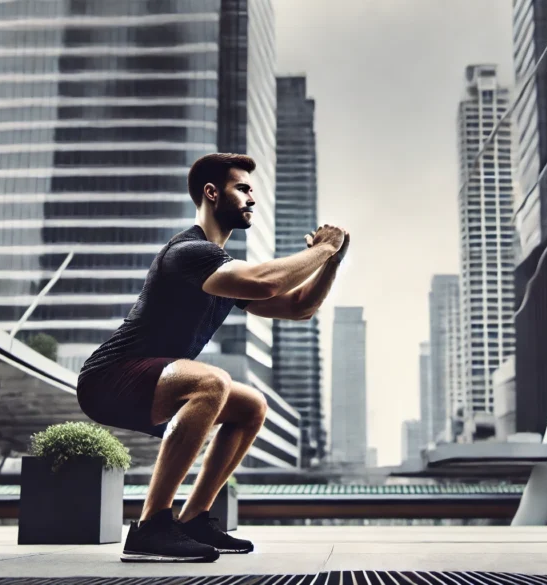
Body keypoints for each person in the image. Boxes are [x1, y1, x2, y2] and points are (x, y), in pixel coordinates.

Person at [77, 153, 349, 563]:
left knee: (250, 406)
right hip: (109, 377)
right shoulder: (189, 252)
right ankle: (151, 527)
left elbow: (298, 307)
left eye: (251, 191)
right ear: (211, 193)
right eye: (242, 189)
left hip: (150, 379)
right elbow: (267, 281)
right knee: (213, 382)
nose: (250, 199)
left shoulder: (219, 269)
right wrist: (324, 247)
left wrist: (332, 261)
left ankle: (194, 518)